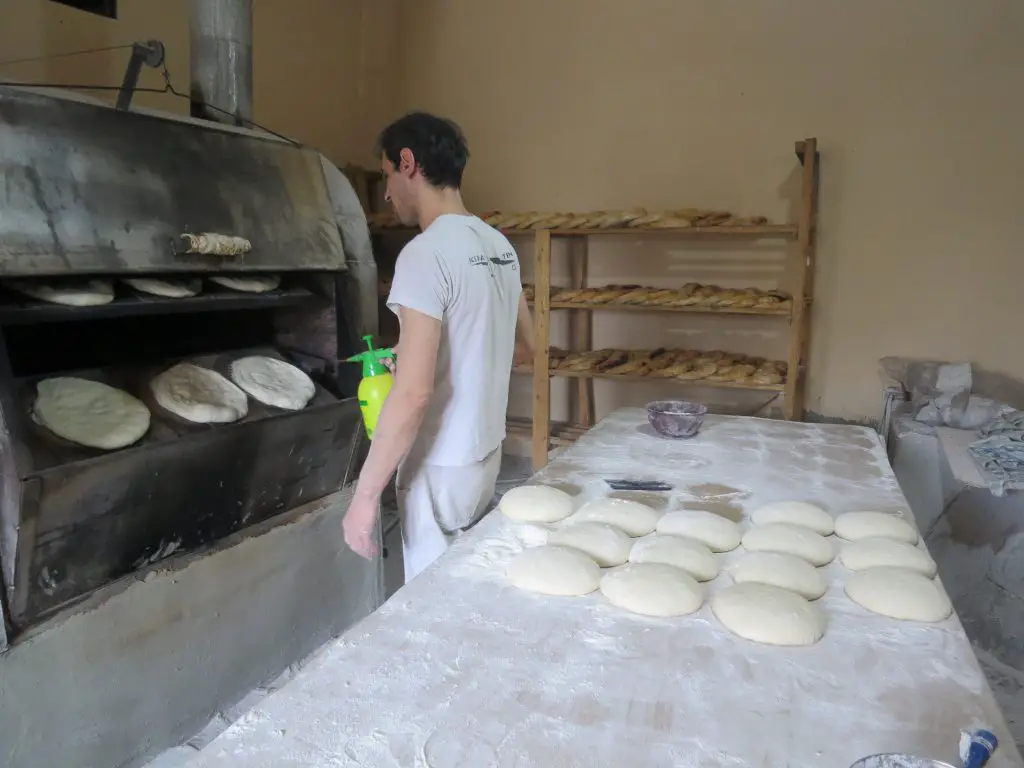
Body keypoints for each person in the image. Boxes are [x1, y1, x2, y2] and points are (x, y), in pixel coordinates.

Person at [342, 111, 536, 583]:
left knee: (431, 605)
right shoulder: (499, 245)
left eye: (387, 174)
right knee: (464, 583)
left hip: (439, 464)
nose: (386, 193)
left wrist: (365, 498)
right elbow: (528, 348)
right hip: (485, 453)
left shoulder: (423, 254)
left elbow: (413, 395)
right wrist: (442, 352)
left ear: (407, 163)